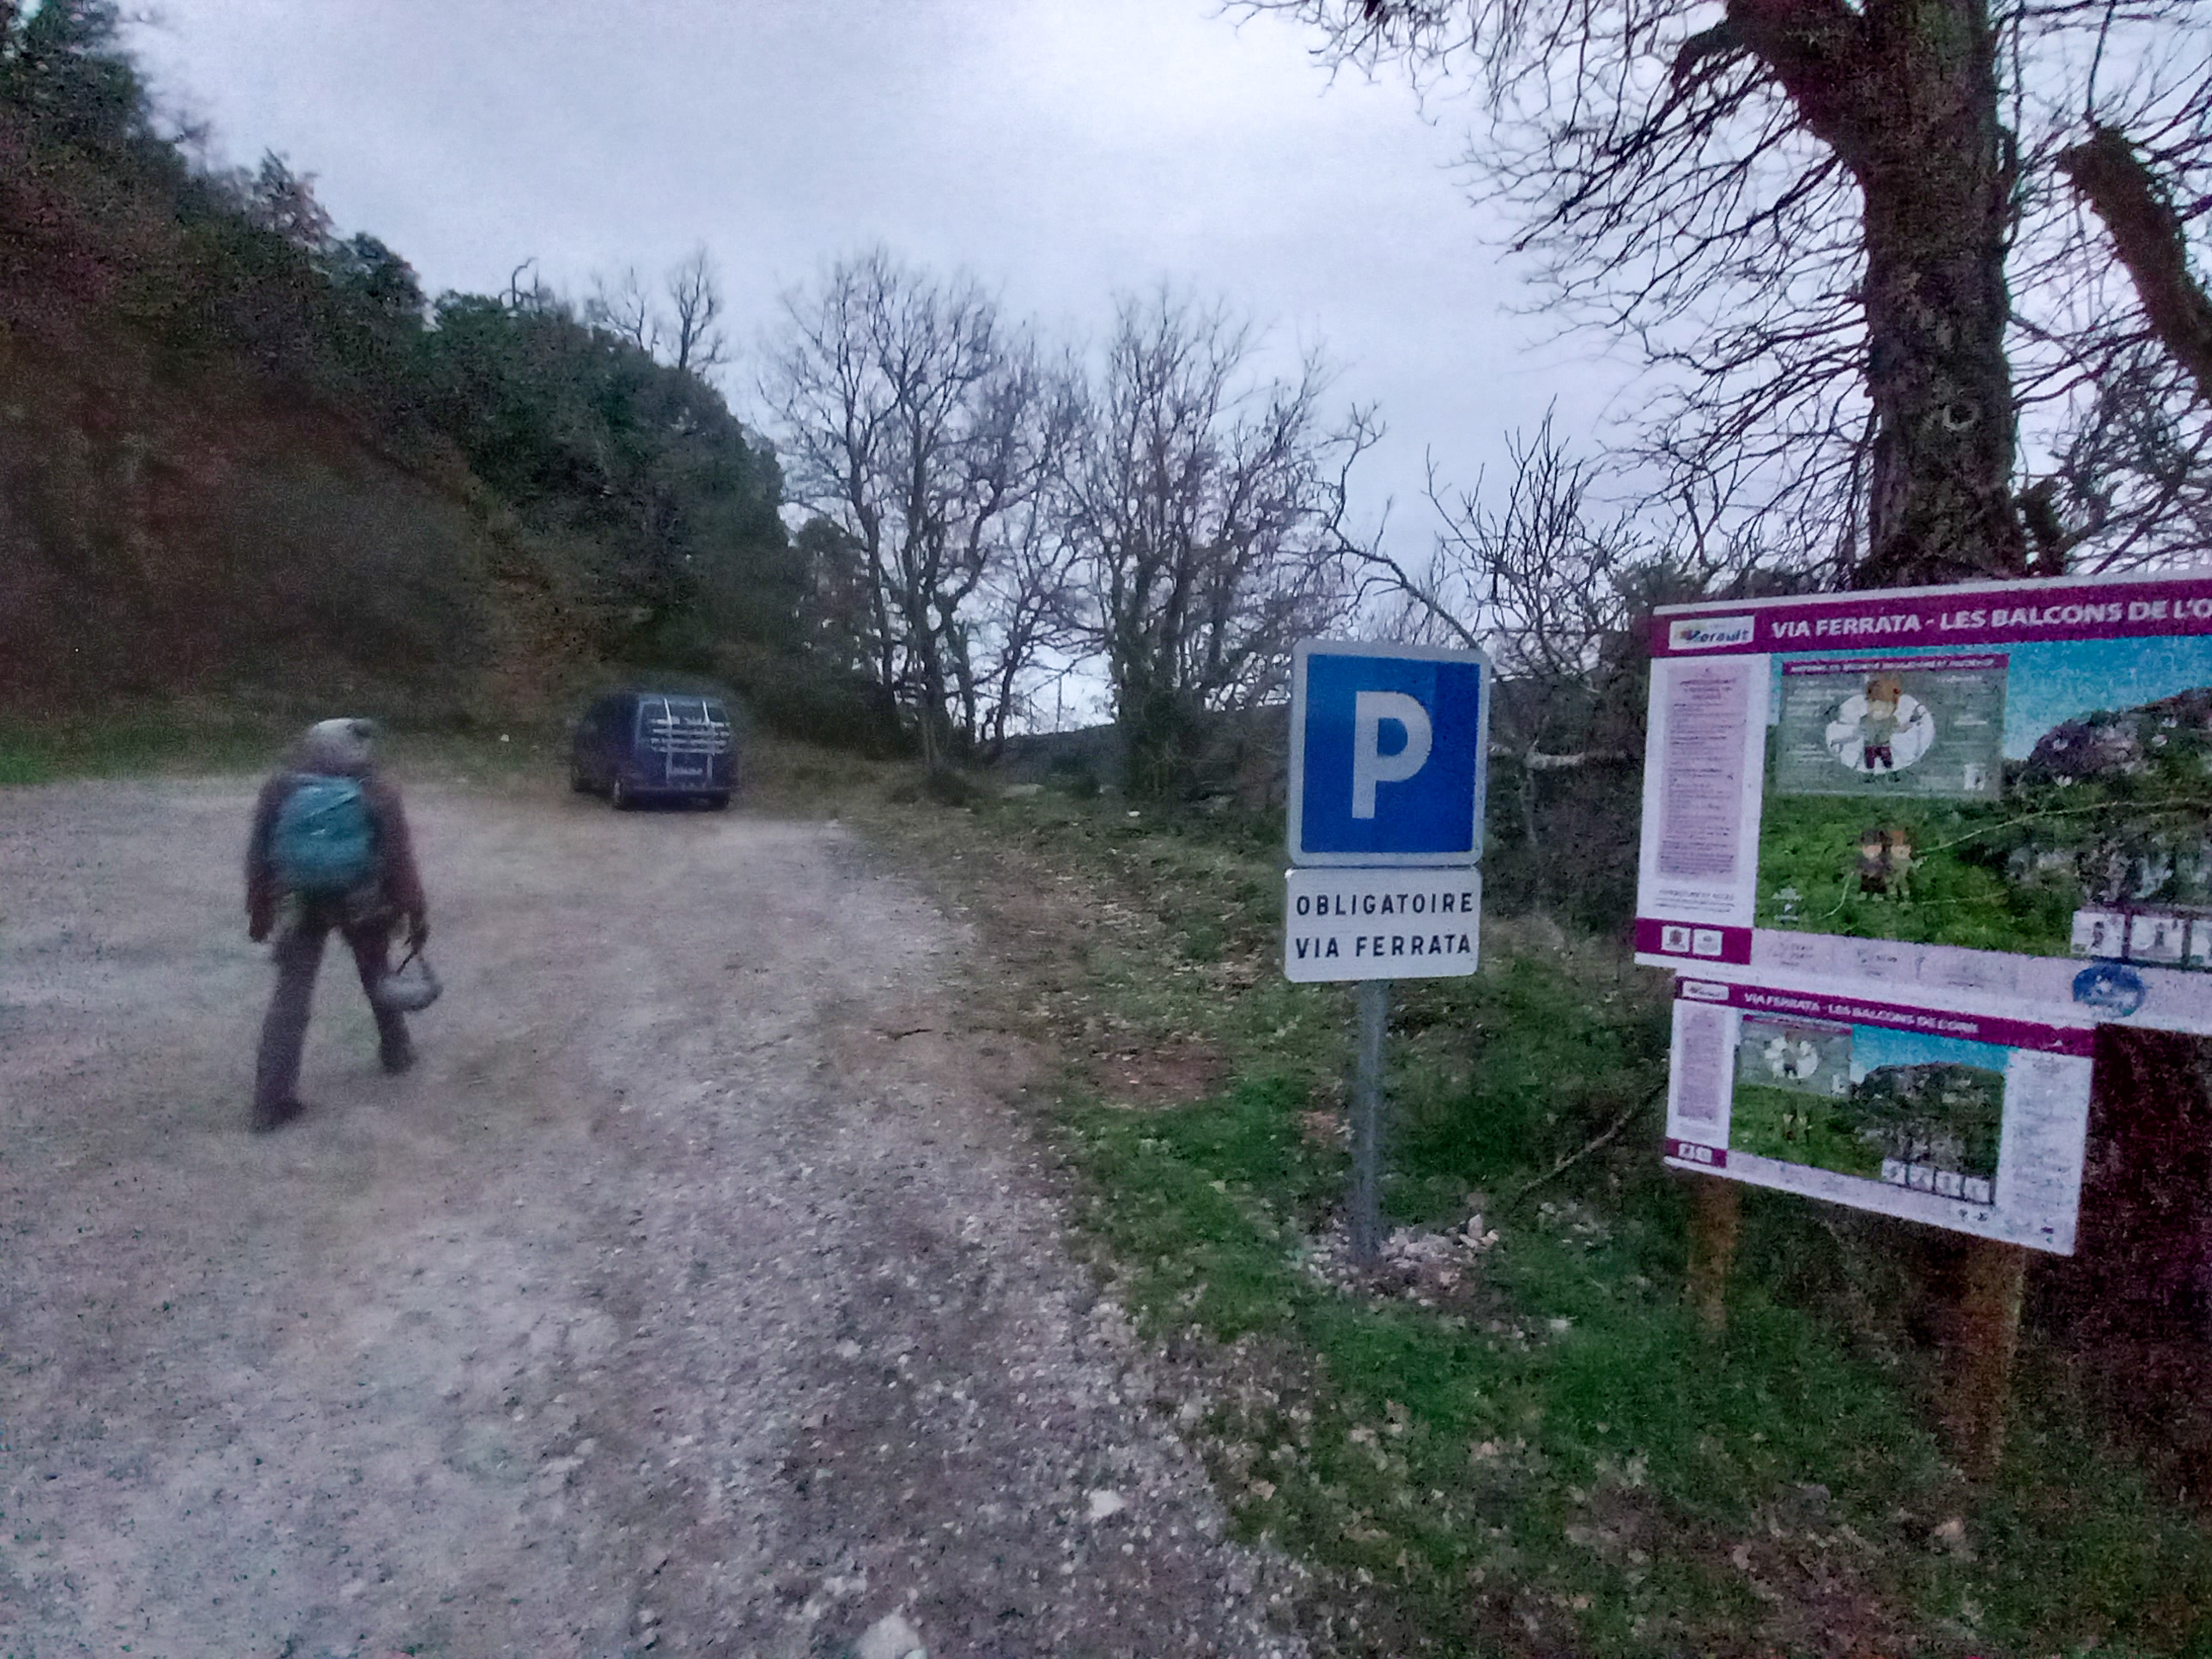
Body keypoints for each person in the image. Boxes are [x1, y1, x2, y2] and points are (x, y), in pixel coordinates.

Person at [243, 718, 429, 1131]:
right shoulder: (377, 789)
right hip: (362, 900)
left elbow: (259, 852)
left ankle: (270, 1103)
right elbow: (399, 859)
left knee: (291, 995)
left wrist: (259, 909)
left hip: (301, 899)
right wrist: (415, 914)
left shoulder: (281, 787)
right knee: (376, 972)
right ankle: (396, 1050)